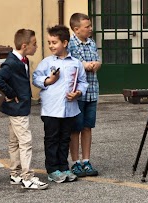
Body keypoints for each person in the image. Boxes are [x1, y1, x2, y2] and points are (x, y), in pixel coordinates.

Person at [0, 29, 48, 190]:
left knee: (15, 141)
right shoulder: (12, 62)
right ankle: (27, 176)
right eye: (34, 44)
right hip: (18, 108)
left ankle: (15, 173)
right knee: (25, 141)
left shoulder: (23, 60)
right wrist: (10, 93)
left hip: (19, 106)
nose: (36, 47)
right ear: (24, 45)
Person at [32, 25, 89, 183]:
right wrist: (48, 80)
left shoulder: (76, 63)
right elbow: (36, 78)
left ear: (64, 43)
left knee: (65, 139)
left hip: (69, 109)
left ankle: (64, 167)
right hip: (51, 109)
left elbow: (83, 82)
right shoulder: (46, 62)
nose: (51, 45)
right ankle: (52, 169)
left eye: (54, 42)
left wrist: (78, 92)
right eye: (49, 42)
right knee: (52, 139)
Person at [67, 13, 101, 177]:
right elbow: (72, 63)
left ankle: (86, 160)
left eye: (90, 26)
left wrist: (96, 64)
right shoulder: (71, 45)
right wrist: (84, 65)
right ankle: (75, 162)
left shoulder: (92, 43)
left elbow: (98, 60)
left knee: (87, 127)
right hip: (77, 93)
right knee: (76, 128)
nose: (90, 29)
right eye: (87, 26)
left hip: (92, 91)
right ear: (76, 29)